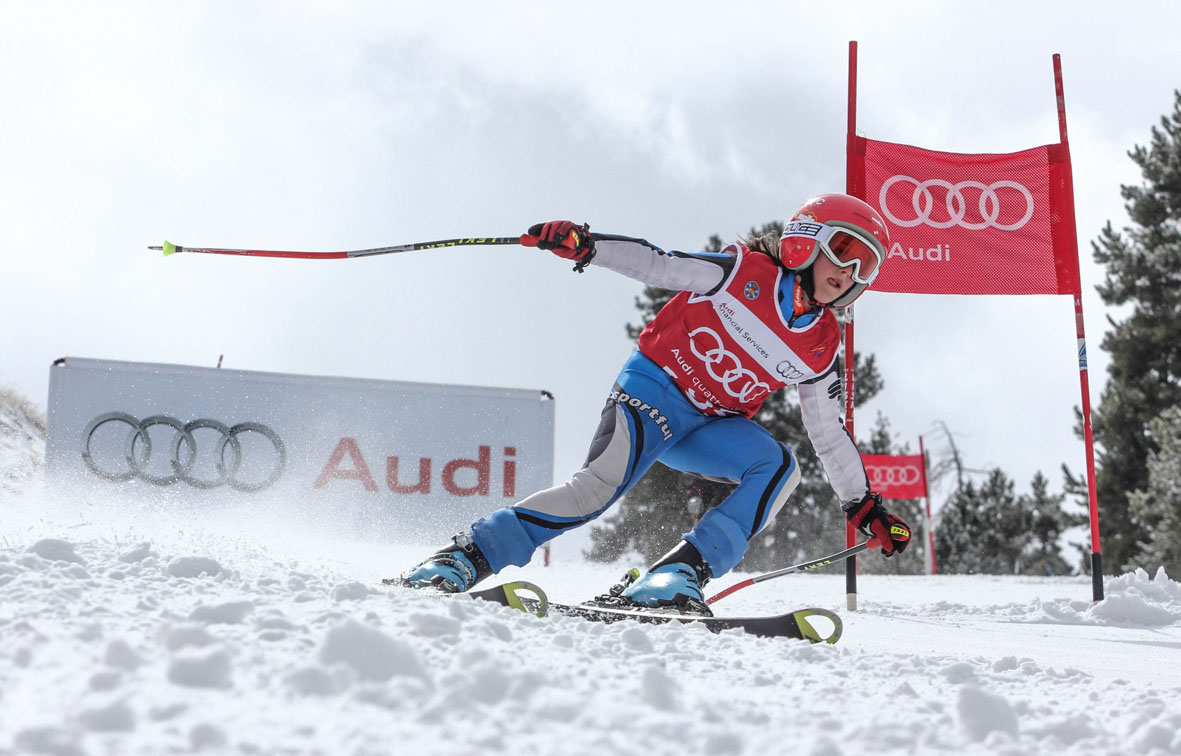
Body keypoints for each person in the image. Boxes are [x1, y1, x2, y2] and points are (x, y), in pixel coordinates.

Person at [394, 194, 911, 614]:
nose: (851, 269)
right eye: (844, 249)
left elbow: (828, 430)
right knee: (594, 492)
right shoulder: (742, 273)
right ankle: (465, 556)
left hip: (708, 426)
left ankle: (678, 572)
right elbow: (659, 264)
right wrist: (586, 245)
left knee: (778, 468)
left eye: (866, 264)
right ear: (806, 240)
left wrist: (863, 505)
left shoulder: (821, 344)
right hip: (654, 393)